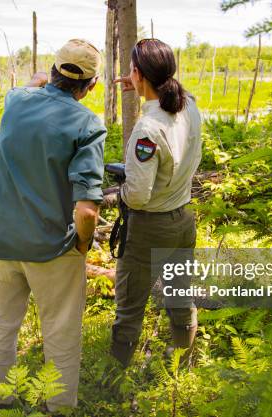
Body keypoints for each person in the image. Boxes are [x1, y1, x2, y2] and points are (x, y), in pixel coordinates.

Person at [0, 39, 106, 412]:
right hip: (51, 249)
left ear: (52, 71)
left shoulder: (15, 102)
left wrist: (37, 82)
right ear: (91, 85)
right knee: (61, 332)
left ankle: (0, 401)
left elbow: (26, 88)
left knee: (0, 326)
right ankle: (59, 407)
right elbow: (86, 211)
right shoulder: (87, 123)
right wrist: (82, 245)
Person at [110, 38, 203, 367]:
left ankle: (115, 379)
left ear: (137, 73)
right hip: (184, 220)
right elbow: (172, 89)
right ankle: (183, 361)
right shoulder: (188, 105)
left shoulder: (147, 130)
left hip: (151, 227)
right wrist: (138, 82)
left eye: (133, 73)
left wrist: (117, 193)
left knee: (130, 305)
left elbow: (137, 194)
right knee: (180, 294)